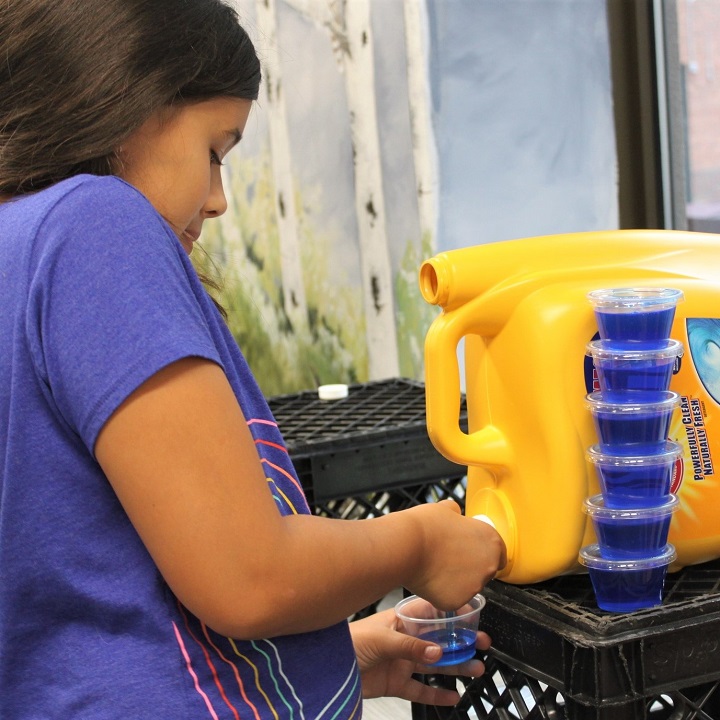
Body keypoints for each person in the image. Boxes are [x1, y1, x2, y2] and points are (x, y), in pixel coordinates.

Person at [0, 1, 506, 717]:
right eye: (216, 150)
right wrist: (417, 542)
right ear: (123, 96)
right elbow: (248, 575)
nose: (218, 200)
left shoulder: (16, 250)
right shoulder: (93, 225)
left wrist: (340, 656)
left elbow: (85, 595)